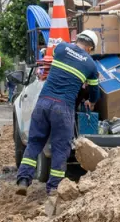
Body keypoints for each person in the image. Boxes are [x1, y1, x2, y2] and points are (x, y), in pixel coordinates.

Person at [16, 31, 101, 196]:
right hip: (63, 108)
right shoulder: (91, 65)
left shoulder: (61, 48)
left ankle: (23, 180)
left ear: (77, 39)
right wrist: (91, 100)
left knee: (34, 143)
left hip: (42, 104)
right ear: (90, 47)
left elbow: (55, 57)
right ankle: (54, 189)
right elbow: (95, 91)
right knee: (60, 148)